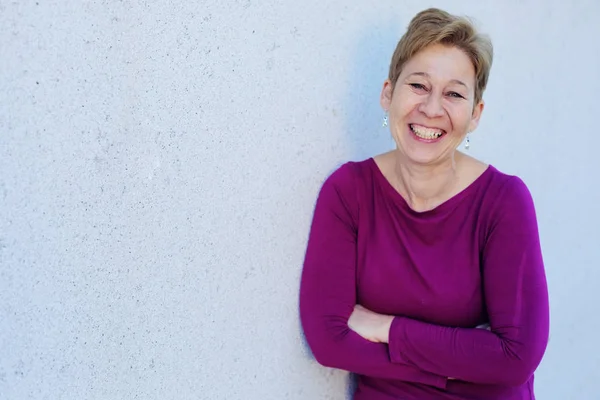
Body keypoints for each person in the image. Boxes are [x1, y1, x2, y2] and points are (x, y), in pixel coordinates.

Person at [299, 7, 550, 400]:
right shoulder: (349, 192)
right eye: (418, 85)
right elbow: (328, 342)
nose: (432, 109)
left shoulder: (504, 202)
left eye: (453, 93)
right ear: (388, 93)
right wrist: (462, 365)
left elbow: (516, 359)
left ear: (474, 115)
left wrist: (386, 329)